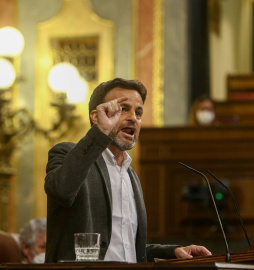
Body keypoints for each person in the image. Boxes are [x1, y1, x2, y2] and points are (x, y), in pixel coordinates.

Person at [44, 78, 212, 263]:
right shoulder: (67, 153)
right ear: (96, 116)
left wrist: (173, 252)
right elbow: (60, 191)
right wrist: (100, 132)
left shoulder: (130, 176)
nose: (133, 118)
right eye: (123, 109)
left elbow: (127, 249)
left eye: (138, 113)